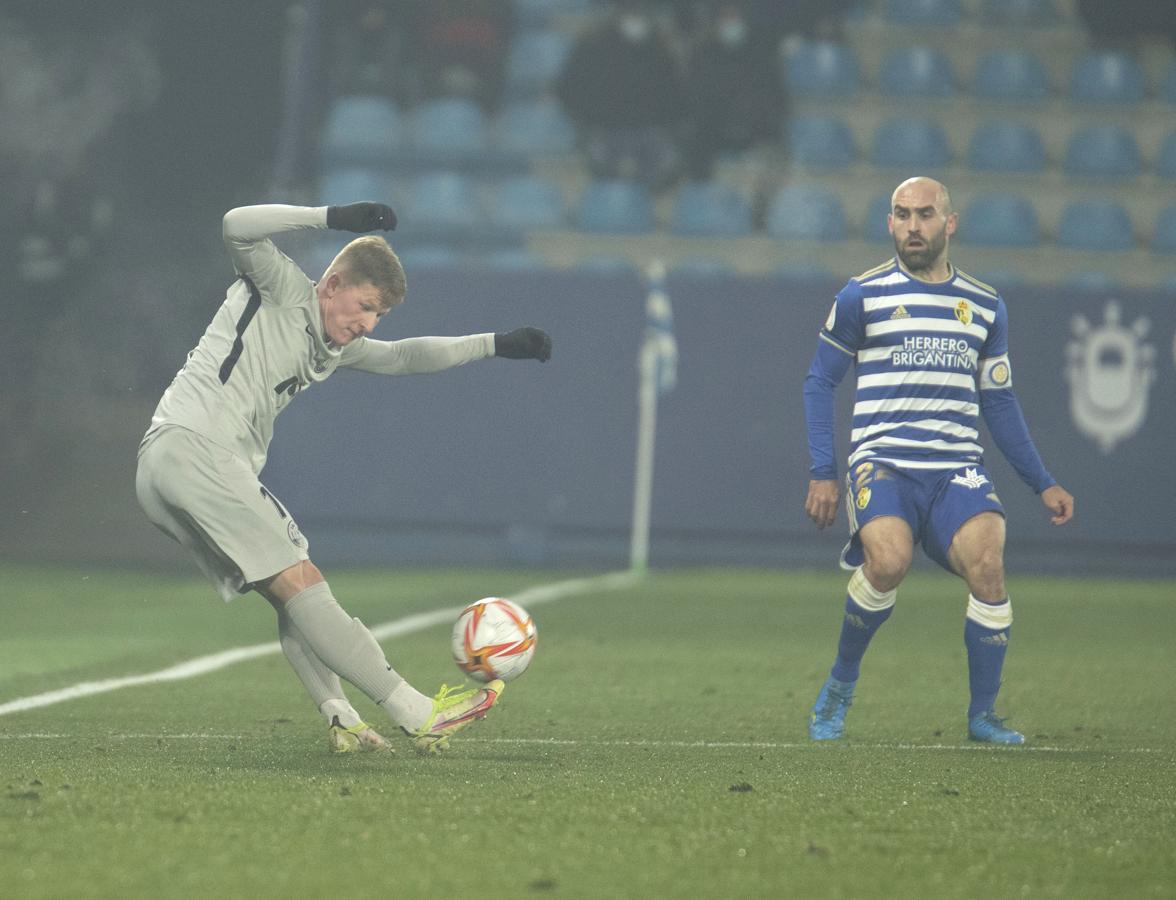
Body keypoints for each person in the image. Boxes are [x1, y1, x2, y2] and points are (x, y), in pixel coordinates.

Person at [135, 201, 552, 755]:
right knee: (302, 579)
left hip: (168, 464)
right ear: (332, 285)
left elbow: (403, 357)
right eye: (366, 306)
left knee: (292, 593)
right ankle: (416, 711)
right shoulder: (283, 288)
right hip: (196, 447)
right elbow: (236, 225)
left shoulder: (332, 346)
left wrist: (496, 344)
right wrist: (331, 217)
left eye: (380, 315)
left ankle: (341, 716)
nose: (369, 324)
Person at [802, 176, 1074, 746]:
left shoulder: (985, 305)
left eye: (924, 215)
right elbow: (819, 381)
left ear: (949, 223)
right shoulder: (861, 295)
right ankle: (841, 684)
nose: (912, 226)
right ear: (889, 223)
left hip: (956, 470)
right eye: (901, 215)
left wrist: (1042, 482)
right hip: (884, 463)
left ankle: (982, 716)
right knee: (888, 562)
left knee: (989, 566)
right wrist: (823, 471)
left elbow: (998, 401)